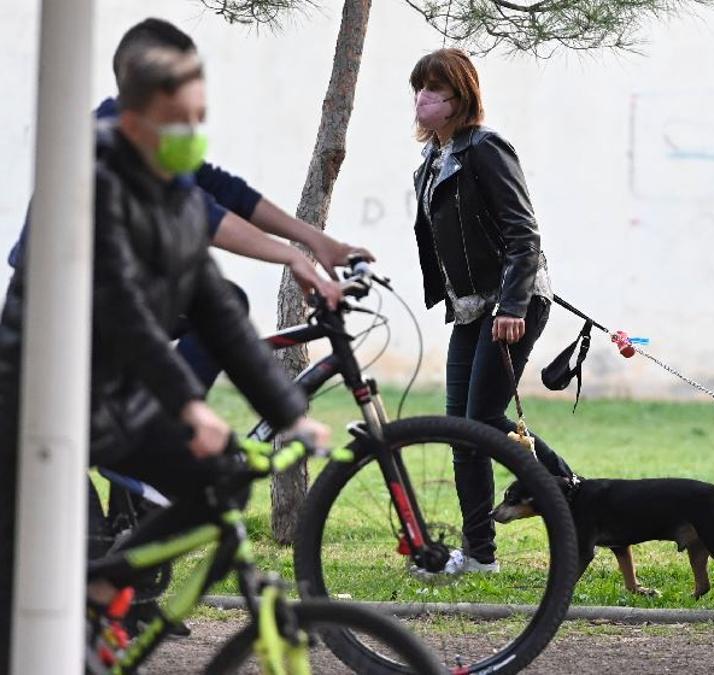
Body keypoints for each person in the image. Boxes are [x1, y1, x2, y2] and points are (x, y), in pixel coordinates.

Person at [0, 43, 329, 666]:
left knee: (228, 476)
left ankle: (108, 586)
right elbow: (125, 312)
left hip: (110, 390)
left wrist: (289, 412)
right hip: (40, 387)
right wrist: (187, 407)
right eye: (180, 120)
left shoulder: (168, 186)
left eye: (197, 119)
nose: (192, 136)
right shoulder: (94, 176)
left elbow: (217, 311)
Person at [6, 18, 374, 388]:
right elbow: (202, 215)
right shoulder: (111, 143)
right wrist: (292, 255)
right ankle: (172, 435)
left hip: (101, 302)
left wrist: (314, 239)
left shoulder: (150, 137)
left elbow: (223, 190)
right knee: (219, 311)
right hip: (58, 314)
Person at [409, 48, 574, 575]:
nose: (422, 99)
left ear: (461, 97)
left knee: (480, 420)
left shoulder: (485, 147)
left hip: (511, 304)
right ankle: (480, 555)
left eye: (435, 91)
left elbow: (523, 231)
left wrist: (512, 303)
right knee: (464, 427)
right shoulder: (435, 158)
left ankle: (566, 484)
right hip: (469, 309)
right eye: (419, 88)